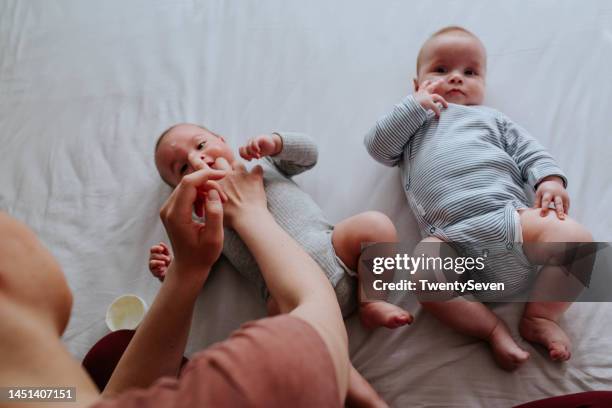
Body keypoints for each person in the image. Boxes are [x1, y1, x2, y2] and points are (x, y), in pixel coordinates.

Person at [0, 164, 350, 407]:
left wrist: (187, 270)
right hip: (307, 351)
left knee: (112, 352)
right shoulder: (246, 388)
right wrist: (251, 214)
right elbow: (319, 311)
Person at [364, 26, 593, 370]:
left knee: (579, 243)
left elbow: (530, 152)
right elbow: (378, 147)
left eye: (470, 72)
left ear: (483, 83)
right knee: (424, 276)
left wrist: (550, 180)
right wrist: (414, 108)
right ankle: (490, 329)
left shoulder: (493, 119)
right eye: (441, 70)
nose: (456, 78)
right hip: (450, 238)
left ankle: (541, 316)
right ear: (416, 86)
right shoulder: (413, 126)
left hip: (510, 219)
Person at [152, 125, 408, 406]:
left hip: (332, 249)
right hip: (285, 295)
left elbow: (309, 155)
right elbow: (203, 264)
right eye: (184, 168)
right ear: (182, 190)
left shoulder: (260, 166)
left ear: (221, 139)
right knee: (283, 321)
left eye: (200, 146)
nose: (199, 160)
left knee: (375, 225)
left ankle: (371, 301)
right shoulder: (209, 217)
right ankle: (355, 386)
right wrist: (174, 268)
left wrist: (275, 143)